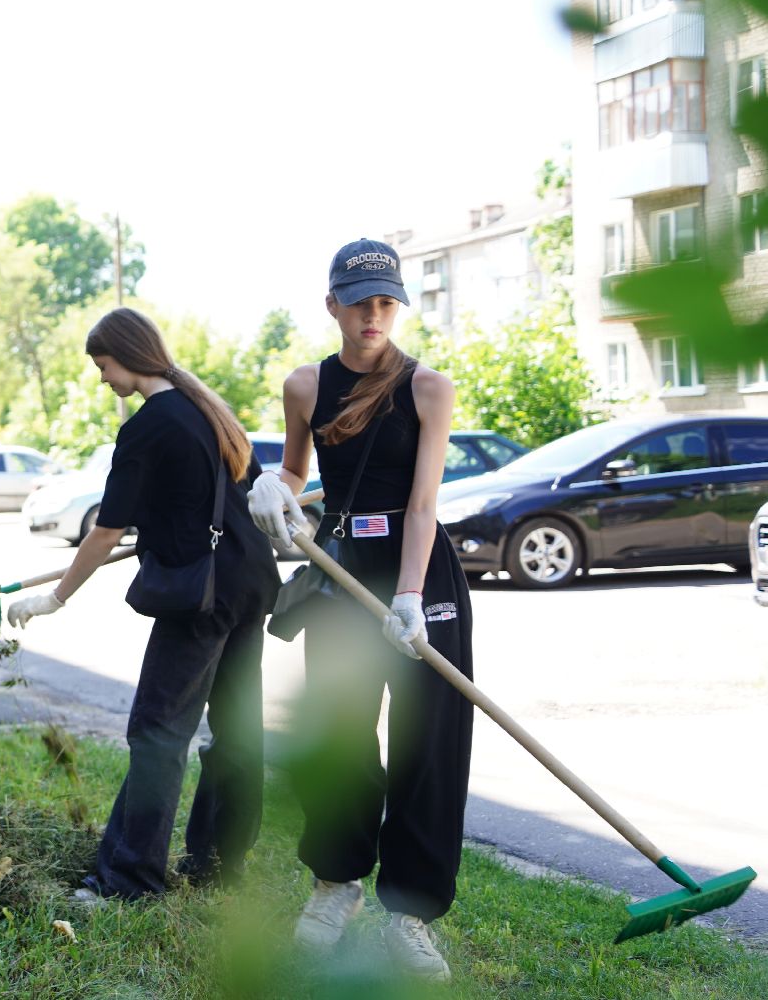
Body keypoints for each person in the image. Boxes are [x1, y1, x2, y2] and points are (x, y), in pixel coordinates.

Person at [246, 238, 474, 983]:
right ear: (332, 304)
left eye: (385, 301)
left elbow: (420, 506)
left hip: (419, 578)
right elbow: (294, 470)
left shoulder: (427, 388)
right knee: (339, 731)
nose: (373, 315)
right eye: (358, 301)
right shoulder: (305, 386)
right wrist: (272, 489)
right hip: (340, 574)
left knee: (427, 742)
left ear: (397, 303)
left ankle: (406, 913)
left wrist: (407, 596)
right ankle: (334, 886)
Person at [7, 307, 280, 901]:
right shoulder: (211, 410)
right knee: (236, 733)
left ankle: (130, 879)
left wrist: (54, 598)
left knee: (157, 733)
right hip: (248, 586)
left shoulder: (150, 425)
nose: (103, 378)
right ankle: (216, 863)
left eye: (103, 365)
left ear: (126, 356)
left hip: (200, 597)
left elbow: (106, 529)